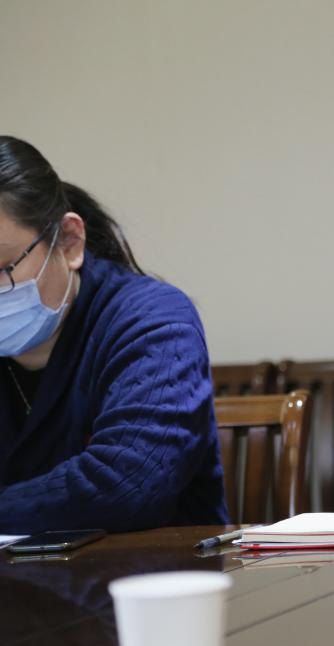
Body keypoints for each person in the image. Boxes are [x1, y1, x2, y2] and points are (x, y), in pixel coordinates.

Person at [0, 136, 227, 533]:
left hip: (155, 567)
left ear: (69, 242)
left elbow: (125, 485)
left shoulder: (153, 322)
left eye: (2, 268)